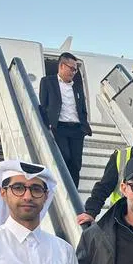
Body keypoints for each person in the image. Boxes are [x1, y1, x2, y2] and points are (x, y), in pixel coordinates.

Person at [38, 52, 93, 185]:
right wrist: (48, 124)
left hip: (77, 129)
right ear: (62, 66)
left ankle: (74, 191)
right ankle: (61, 187)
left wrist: (84, 125)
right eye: (72, 68)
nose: (74, 72)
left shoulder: (77, 86)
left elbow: (82, 108)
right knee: (64, 156)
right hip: (59, 127)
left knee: (76, 163)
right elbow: (43, 105)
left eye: (75, 69)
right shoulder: (47, 82)